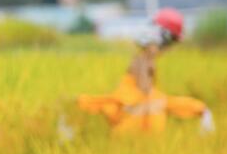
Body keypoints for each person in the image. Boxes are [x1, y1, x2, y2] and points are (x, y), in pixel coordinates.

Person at [77, 8, 213, 135]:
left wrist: (197, 108)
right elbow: (145, 92)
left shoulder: (146, 60)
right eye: (168, 42)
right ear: (159, 39)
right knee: (156, 105)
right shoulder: (143, 61)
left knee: (157, 104)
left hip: (134, 120)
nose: (167, 49)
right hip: (129, 123)